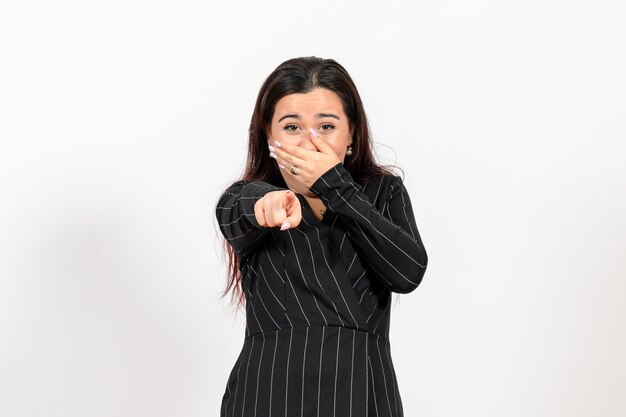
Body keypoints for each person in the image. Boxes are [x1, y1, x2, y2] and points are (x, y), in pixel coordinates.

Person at [215, 56, 428, 417]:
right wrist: (269, 202)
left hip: (362, 396)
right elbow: (238, 211)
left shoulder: (382, 194)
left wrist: (333, 185)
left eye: (326, 126)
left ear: (352, 134)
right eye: (292, 127)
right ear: (270, 134)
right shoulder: (247, 198)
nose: (310, 142)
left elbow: (407, 273)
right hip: (267, 397)